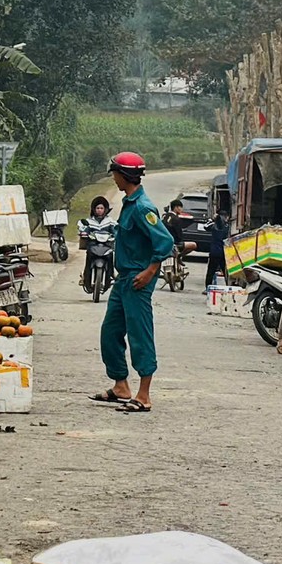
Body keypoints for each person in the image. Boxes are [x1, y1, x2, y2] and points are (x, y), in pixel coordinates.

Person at [90, 151, 176, 413]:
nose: (114, 178)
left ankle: (144, 395)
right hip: (123, 278)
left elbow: (165, 242)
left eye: (115, 173)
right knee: (110, 331)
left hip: (138, 279)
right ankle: (120, 386)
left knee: (140, 335)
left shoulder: (142, 207)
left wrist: (150, 271)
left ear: (124, 175)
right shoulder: (129, 203)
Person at [203, 205, 232, 291]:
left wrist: (213, 219)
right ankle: (228, 287)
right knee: (226, 272)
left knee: (211, 271)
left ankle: (207, 288)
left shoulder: (215, 225)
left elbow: (205, 226)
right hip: (224, 252)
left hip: (215, 252)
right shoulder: (227, 226)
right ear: (227, 216)